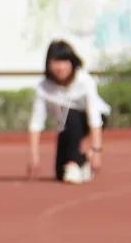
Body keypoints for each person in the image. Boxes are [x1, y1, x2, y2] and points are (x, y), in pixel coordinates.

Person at [27, 40, 110, 183]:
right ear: (48, 64)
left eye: (65, 62)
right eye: (56, 62)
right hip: (64, 121)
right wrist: (34, 156)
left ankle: (74, 164)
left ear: (72, 63)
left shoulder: (84, 81)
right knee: (60, 174)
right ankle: (82, 162)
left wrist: (96, 151)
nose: (60, 67)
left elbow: (94, 118)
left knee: (68, 113)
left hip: (94, 117)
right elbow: (36, 123)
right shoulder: (43, 87)